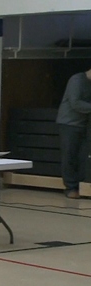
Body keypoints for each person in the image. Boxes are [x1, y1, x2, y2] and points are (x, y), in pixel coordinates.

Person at [56, 68, 91, 199]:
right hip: (68, 124)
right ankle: (70, 187)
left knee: (82, 157)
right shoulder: (77, 80)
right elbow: (75, 103)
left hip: (83, 124)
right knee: (69, 155)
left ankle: (80, 185)